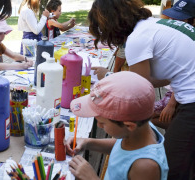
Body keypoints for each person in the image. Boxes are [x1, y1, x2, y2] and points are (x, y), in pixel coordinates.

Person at [88, 0, 195, 179]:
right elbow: (166, 76)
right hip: (188, 94)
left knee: (172, 165)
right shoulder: (152, 25)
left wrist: (109, 77)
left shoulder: (137, 39)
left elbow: (139, 91)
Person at [66, 71, 168, 180]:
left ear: (129, 125)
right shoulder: (140, 128)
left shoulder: (145, 167)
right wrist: (88, 142)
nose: (99, 125)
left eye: (103, 123)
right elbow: (121, 146)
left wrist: (92, 178)